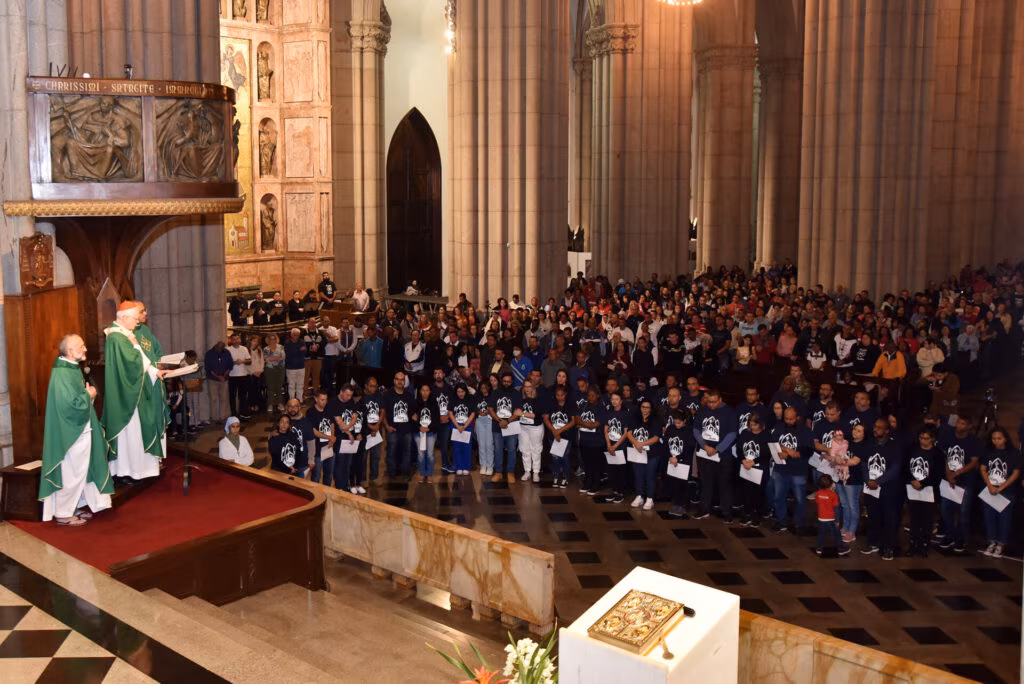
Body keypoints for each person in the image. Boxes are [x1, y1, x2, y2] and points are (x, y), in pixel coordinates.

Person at [39, 334, 113, 526]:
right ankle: (63, 513)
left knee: (81, 470)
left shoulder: (71, 368)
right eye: (81, 346)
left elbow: (78, 397)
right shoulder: (62, 373)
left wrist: (88, 395)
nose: (85, 349)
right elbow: (68, 406)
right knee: (72, 471)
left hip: (80, 428)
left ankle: (75, 505)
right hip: (71, 433)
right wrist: (89, 395)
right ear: (70, 352)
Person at [102, 301, 168, 481]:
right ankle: (127, 472)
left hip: (131, 391)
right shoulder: (117, 337)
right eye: (134, 318)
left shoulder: (124, 334)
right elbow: (136, 363)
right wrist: (136, 345)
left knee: (136, 434)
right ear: (124, 318)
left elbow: (143, 363)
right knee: (130, 435)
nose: (138, 322)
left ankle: (135, 470)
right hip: (127, 396)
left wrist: (156, 371)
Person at [860, 419, 905, 561]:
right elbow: (863, 463)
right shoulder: (869, 444)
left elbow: (895, 469)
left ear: (886, 431)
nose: (875, 430)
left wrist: (878, 481)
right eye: (874, 427)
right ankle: (873, 543)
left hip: (888, 489)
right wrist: (868, 480)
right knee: (873, 516)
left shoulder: (894, 446)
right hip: (870, 487)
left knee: (889, 518)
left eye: (879, 428)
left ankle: (889, 547)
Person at [936, 415, 980, 553]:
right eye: (958, 423)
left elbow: (974, 462)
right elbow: (944, 456)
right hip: (948, 479)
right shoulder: (948, 436)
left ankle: (961, 538)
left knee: (963, 512)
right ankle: (950, 534)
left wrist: (957, 473)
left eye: (963, 424)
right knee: (945, 509)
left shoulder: (973, 441)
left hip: (965, 481)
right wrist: (949, 474)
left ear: (969, 426)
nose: (959, 426)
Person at [693, 389, 738, 522]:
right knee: (705, 482)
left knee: (724, 483)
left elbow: (732, 434)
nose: (711, 405)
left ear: (720, 399)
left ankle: (726, 511)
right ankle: (704, 508)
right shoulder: (702, 410)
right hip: (705, 453)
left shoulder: (729, 412)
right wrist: (705, 446)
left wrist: (717, 449)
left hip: (723, 455)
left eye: (713, 402)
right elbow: (696, 429)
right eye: (709, 402)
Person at [979, 427, 1021, 558]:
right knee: (989, 517)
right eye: (993, 438)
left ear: (1005, 438)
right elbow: (983, 469)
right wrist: (990, 486)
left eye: (999, 438)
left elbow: (1016, 472)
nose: (996, 441)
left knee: (1004, 519)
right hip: (990, 489)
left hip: (1007, 491)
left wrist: (1001, 487)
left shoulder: (1014, 453)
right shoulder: (988, 451)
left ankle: (1001, 544)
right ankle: (991, 541)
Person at [770, 406, 812, 532]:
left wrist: (796, 453)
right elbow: (772, 442)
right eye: (786, 418)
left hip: (798, 470)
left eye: (791, 419)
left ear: (797, 417)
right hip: (780, 468)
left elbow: (808, 450)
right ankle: (781, 521)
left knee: (799, 499)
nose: (788, 421)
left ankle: (797, 523)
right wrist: (783, 451)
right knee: (778, 497)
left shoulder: (805, 431)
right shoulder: (779, 427)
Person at [905, 428, 942, 558]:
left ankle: (924, 545)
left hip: (929, 490)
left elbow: (938, 474)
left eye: (926, 438)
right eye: (921, 438)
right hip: (912, 488)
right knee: (914, 519)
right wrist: (912, 480)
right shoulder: (912, 450)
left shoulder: (937, 454)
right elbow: (906, 467)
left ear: (932, 439)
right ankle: (913, 544)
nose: (923, 441)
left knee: (927, 520)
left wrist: (923, 483)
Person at [736, 414, 770, 527]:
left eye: (754, 424)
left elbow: (767, 453)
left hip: (759, 470)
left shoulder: (766, 435)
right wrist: (743, 460)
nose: (752, 426)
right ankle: (747, 514)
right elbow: (739, 449)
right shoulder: (745, 433)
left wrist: (753, 461)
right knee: (746, 492)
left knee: (758, 494)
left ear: (760, 424)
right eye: (750, 423)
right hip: (746, 468)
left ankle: (757, 516)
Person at [488, 372, 523, 483]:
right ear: (501, 381)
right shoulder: (495, 393)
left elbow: (518, 411)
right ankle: (498, 472)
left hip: (512, 426)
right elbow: (490, 409)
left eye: (508, 381)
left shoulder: (516, 394)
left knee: (512, 450)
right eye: (504, 381)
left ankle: (510, 472)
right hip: (497, 426)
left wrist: (507, 421)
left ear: (512, 381)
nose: (506, 383)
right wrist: (499, 420)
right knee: (498, 450)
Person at [628, 399, 662, 510]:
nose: (645, 409)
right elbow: (629, 433)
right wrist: (636, 443)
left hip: (652, 453)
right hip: (637, 451)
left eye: (647, 407)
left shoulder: (656, 420)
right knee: (638, 475)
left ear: (651, 409)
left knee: (650, 476)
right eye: (643, 407)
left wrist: (641, 444)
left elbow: (656, 437)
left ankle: (650, 498)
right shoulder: (635, 418)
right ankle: (639, 496)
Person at [383, 371, 415, 479]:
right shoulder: (388, 395)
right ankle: (391, 474)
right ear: (394, 381)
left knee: (407, 453)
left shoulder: (409, 395)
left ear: (404, 381)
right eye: (398, 379)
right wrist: (387, 426)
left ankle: (406, 473)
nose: (400, 382)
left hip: (406, 430)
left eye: (402, 379)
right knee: (391, 453)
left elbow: (413, 412)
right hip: (392, 429)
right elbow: (383, 413)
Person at [543, 385, 576, 488]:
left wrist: (559, 432)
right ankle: (556, 475)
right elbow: (546, 418)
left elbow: (573, 421)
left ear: (565, 394)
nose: (560, 397)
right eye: (558, 395)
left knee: (565, 456)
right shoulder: (551, 403)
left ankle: (566, 476)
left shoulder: (570, 404)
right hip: (552, 434)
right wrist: (554, 431)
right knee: (555, 457)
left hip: (566, 435)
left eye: (561, 395)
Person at [305, 389, 336, 485]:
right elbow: (313, 431)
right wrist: (329, 437)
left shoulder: (328, 409)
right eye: (322, 400)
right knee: (316, 476)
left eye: (326, 399)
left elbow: (332, 424)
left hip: (329, 447)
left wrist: (332, 437)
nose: (324, 402)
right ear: (316, 399)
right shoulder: (310, 412)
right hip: (317, 450)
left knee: (329, 474)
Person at [814, 474, 849, 555]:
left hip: (821, 518)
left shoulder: (818, 493)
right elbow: (836, 509)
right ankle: (840, 549)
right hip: (832, 519)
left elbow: (817, 502)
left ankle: (819, 549)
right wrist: (837, 520)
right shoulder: (833, 495)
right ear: (831, 484)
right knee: (837, 534)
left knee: (821, 534)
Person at [518, 379, 544, 482]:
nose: (527, 389)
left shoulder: (538, 399)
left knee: (536, 450)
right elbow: (516, 412)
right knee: (525, 449)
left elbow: (537, 415)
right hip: (523, 427)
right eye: (525, 386)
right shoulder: (521, 398)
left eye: (529, 386)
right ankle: (527, 471)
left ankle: (536, 472)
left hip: (535, 427)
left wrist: (523, 414)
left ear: (533, 387)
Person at [413, 382, 439, 483]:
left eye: (427, 390)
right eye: (423, 390)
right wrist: (419, 427)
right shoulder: (415, 403)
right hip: (419, 432)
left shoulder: (434, 403)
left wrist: (429, 428)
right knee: (421, 454)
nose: (425, 392)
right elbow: (413, 418)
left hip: (431, 432)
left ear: (430, 392)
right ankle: (422, 473)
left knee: (430, 454)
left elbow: (437, 419)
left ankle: (429, 474)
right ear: (420, 392)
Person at [448, 383, 475, 475]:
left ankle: (466, 467)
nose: (460, 394)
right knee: (456, 447)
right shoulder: (453, 399)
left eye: (462, 391)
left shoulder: (470, 399)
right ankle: (458, 467)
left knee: (467, 447)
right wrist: (457, 425)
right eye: (458, 391)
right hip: (455, 426)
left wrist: (465, 426)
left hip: (467, 426)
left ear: (465, 391)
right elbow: (450, 412)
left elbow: (472, 414)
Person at [285, 398, 315, 479]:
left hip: (302, 463)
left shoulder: (306, 422)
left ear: (299, 407)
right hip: (285, 464)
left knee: (301, 488)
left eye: (295, 406)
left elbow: (311, 442)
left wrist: (311, 460)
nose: (292, 409)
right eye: (290, 406)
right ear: (287, 408)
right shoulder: (281, 422)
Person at [205, 339, 233, 424]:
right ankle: (214, 417)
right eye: (219, 348)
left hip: (224, 379)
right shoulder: (209, 354)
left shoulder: (226, 352)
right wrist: (218, 376)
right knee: (213, 399)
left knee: (224, 398)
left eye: (222, 349)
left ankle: (223, 416)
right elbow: (208, 368)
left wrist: (224, 375)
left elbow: (230, 365)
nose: (220, 350)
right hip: (213, 379)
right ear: (216, 346)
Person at [225, 333, 251, 418]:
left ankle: (243, 412)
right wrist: (234, 362)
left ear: (240, 340)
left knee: (243, 395)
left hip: (243, 375)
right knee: (232, 396)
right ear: (231, 340)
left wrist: (242, 361)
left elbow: (249, 361)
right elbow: (225, 363)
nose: (236, 341)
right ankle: (233, 413)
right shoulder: (227, 350)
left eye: (237, 339)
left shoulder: (244, 349)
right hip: (232, 376)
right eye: (234, 339)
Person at [474, 381, 495, 475]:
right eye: (482, 388)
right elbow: (472, 408)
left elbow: (496, 408)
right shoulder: (476, 396)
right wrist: (478, 412)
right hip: (479, 420)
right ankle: (483, 464)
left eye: (485, 387)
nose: (484, 390)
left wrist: (488, 412)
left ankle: (490, 465)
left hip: (489, 420)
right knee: (481, 444)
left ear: (489, 387)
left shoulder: (493, 396)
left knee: (489, 444)